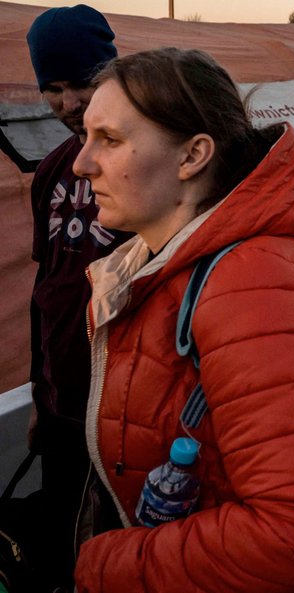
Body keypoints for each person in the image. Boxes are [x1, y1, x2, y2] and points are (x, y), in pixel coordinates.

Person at [70, 48, 294, 593]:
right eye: (87, 136)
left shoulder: (253, 282)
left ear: (192, 155)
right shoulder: (162, 266)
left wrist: (107, 564)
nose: (82, 162)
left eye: (109, 139)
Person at [24, 6, 132, 590]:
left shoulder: (153, 164)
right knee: (62, 552)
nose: (70, 103)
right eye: (54, 88)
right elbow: (48, 292)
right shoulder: (51, 172)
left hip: (130, 416)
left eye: (84, 83)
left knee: (120, 554)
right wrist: (42, 398)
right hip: (64, 409)